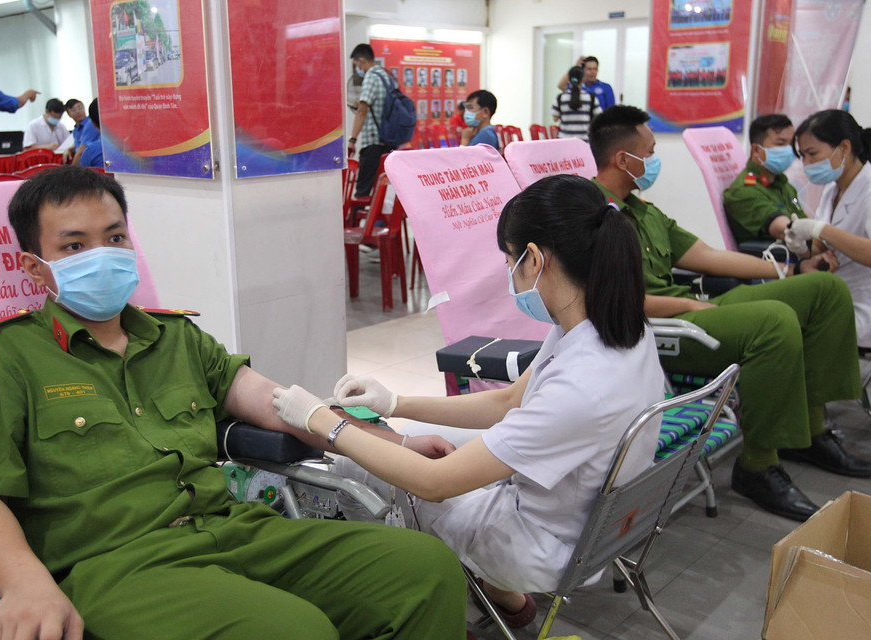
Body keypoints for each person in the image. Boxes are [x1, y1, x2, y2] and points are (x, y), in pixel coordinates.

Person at [0, 166, 467, 640]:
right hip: (116, 567)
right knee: (292, 631)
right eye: (74, 247)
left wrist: (394, 442)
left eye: (114, 237)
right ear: (34, 267)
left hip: (233, 528)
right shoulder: (4, 355)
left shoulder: (176, 337)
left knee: (424, 569)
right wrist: (25, 584)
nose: (102, 256)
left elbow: (282, 404)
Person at [271, 174, 664, 627]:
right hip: (589, 520)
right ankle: (504, 601)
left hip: (541, 546)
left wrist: (324, 422)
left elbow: (434, 483)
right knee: (414, 437)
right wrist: (395, 403)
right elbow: (507, 402)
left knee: (355, 467)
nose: (509, 272)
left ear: (535, 259)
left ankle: (415, 608)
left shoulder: (582, 386)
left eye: (509, 260)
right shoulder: (612, 329)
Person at [589, 105, 871, 522]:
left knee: (824, 290)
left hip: (693, 308)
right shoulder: (593, 215)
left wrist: (791, 270)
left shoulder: (644, 210)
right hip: (661, 325)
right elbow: (614, 300)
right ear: (622, 158)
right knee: (775, 322)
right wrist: (689, 304)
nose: (654, 160)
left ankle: (810, 433)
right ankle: (758, 465)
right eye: (650, 152)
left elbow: (707, 256)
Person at [786, 110, 871, 348]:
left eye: (812, 154)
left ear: (844, 148)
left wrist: (821, 229)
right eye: (802, 156)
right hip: (838, 302)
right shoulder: (833, 190)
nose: (806, 164)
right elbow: (825, 248)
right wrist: (804, 248)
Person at [723, 114, 806, 244]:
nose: (790, 150)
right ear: (756, 150)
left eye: (791, 144)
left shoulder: (784, 186)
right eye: (780, 143)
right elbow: (787, 230)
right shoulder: (744, 191)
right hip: (773, 255)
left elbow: (803, 222)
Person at [347, 44, 394, 198]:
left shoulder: (371, 77)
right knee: (380, 190)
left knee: (362, 191)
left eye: (357, 65)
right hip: (388, 141)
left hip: (373, 143)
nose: (358, 69)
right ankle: (377, 214)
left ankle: (360, 214)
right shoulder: (386, 77)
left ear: (362, 60)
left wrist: (352, 140)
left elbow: (362, 111)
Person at [551, 66, 603, 142]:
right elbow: (599, 118)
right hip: (584, 141)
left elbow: (555, 119)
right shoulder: (590, 97)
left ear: (569, 79)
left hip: (564, 141)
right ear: (582, 79)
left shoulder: (560, 97)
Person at [73, 98, 103, 168]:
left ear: (93, 123)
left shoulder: (90, 152)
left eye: (80, 108)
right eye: (73, 110)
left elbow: (80, 152)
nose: (77, 112)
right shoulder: (75, 129)